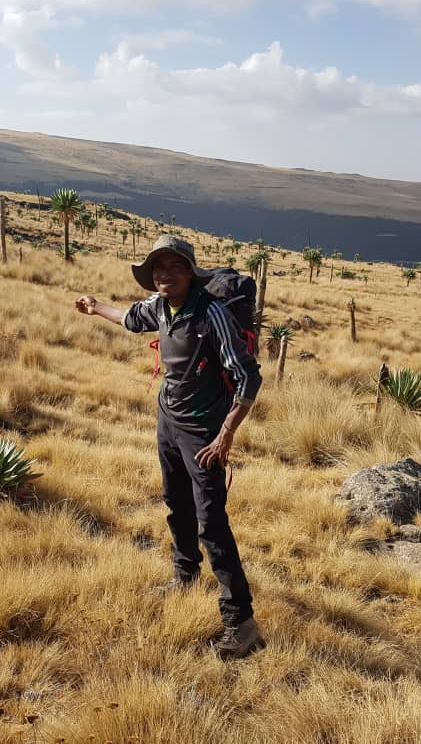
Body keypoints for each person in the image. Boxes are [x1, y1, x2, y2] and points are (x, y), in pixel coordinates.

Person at [75, 235, 265, 659]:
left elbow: (248, 376)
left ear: (190, 273)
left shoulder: (211, 314)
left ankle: (242, 623)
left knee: (211, 522)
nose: (164, 275)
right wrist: (95, 307)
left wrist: (225, 434)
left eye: (174, 267)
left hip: (204, 433)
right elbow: (128, 317)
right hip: (169, 420)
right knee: (175, 502)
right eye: (158, 268)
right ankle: (184, 574)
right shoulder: (160, 307)